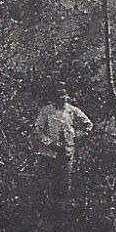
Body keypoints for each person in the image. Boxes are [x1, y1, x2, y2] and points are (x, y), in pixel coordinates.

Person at [34, 83, 93, 214]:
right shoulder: (46, 111)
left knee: (64, 183)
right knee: (46, 182)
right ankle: (44, 211)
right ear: (54, 98)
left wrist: (75, 136)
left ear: (67, 97)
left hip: (66, 152)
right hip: (48, 153)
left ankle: (61, 212)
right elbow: (37, 130)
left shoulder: (72, 110)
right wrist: (49, 143)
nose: (61, 100)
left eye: (63, 97)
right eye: (58, 97)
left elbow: (88, 125)